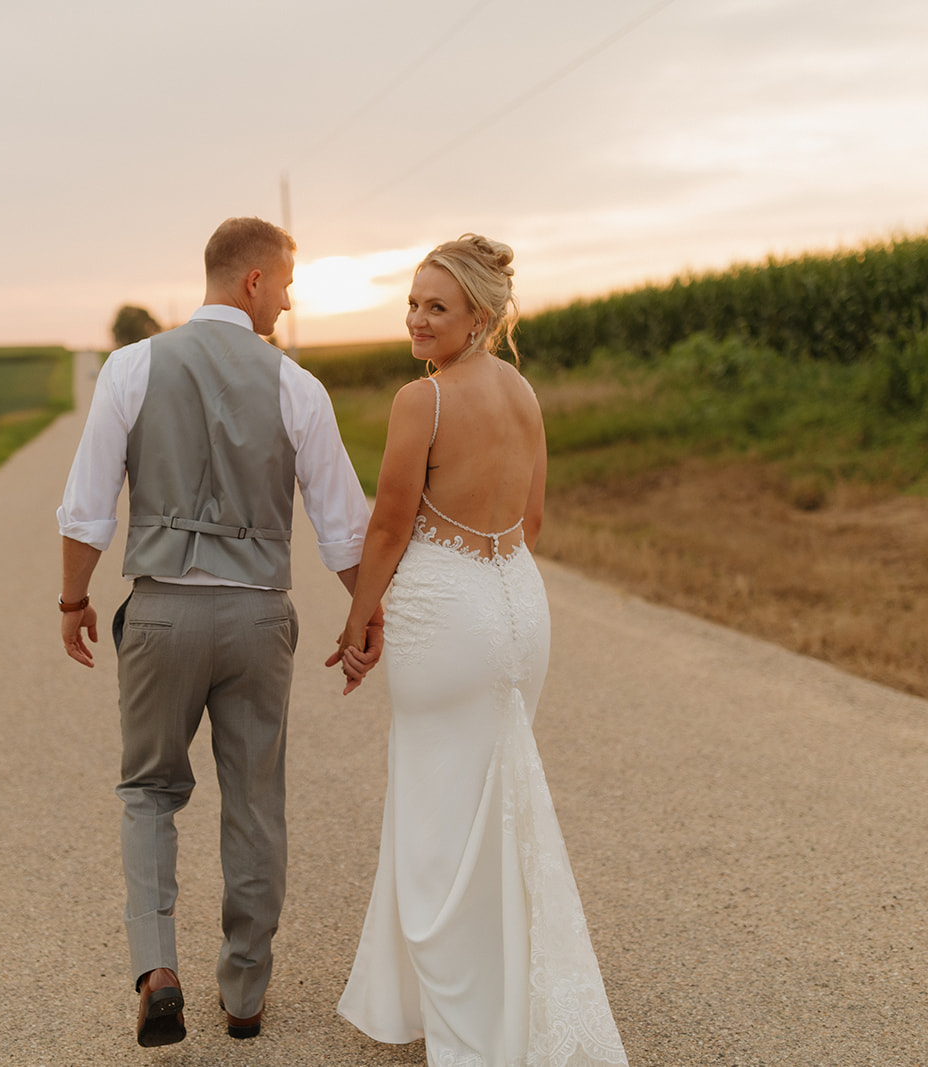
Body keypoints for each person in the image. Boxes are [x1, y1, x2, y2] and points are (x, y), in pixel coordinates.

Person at [56, 216, 381, 1048]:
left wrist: (73, 600)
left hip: (161, 610)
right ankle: (244, 993)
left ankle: (158, 968)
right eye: (286, 284)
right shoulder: (295, 385)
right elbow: (344, 526)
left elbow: (88, 506)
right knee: (255, 800)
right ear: (253, 282)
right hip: (257, 615)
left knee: (150, 790)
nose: (289, 299)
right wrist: (363, 614)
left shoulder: (132, 368)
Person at [333, 235, 629, 1065]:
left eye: (438, 307)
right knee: (498, 801)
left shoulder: (418, 402)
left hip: (446, 619)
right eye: (415, 302)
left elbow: (389, 525)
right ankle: (507, 994)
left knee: (436, 813)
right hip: (518, 608)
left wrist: (359, 618)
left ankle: (467, 1027)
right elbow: (531, 523)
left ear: (482, 318)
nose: (418, 319)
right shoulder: (524, 394)